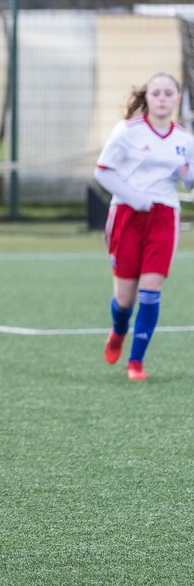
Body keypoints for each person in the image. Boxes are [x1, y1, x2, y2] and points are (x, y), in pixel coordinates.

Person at [94, 72, 194, 381]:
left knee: (151, 290)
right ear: (147, 98)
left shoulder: (185, 139)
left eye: (168, 93)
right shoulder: (126, 132)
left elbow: (190, 182)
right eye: (156, 93)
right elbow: (103, 173)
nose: (162, 98)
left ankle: (136, 362)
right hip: (127, 215)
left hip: (164, 217)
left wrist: (188, 175)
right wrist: (136, 199)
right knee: (125, 300)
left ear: (177, 99)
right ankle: (118, 332)